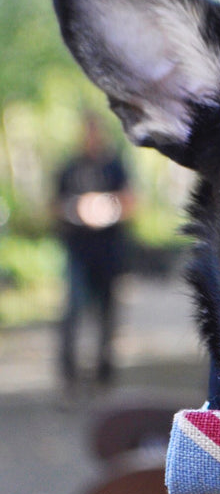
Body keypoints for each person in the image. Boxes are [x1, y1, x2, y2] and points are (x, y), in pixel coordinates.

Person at [54, 112, 134, 393]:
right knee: (72, 312)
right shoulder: (69, 167)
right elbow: (53, 205)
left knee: (106, 315)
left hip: (109, 252)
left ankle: (103, 374)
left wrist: (105, 207)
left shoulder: (114, 167)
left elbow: (131, 202)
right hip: (78, 251)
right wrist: (76, 209)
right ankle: (69, 374)